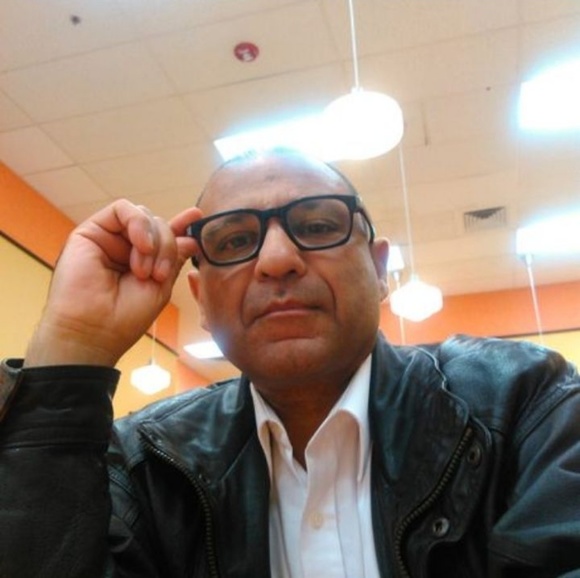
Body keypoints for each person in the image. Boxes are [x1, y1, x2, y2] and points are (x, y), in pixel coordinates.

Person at [1, 148, 580, 578]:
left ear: (380, 270)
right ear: (200, 299)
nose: (277, 260)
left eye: (318, 226)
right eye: (234, 241)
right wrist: (72, 346)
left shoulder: (525, 403)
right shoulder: (146, 465)